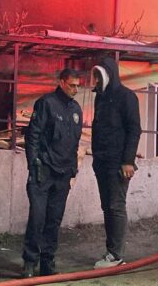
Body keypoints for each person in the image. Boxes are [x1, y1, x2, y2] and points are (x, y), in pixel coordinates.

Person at [21, 68, 83, 278]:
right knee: (38, 218)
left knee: (54, 220)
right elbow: (33, 135)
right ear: (62, 82)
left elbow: (74, 142)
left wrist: (73, 170)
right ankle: (30, 262)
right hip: (44, 171)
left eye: (78, 86)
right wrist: (33, 165)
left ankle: (47, 262)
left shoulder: (76, 109)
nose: (76, 89)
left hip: (63, 173)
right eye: (72, 85)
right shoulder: (46, 103)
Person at [91, 57, 142, 268]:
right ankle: (112, 253)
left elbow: (134, 130)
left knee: (116, 206)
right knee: (108, 207)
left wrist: (128, 161)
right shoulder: (100, 98)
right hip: (102, 162)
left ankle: (116, 255)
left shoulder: (127, 97)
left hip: (118, 164)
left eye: (98, 76)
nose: (95, 80)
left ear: (108, 75)